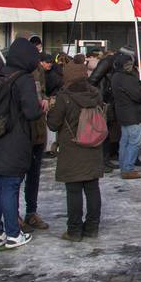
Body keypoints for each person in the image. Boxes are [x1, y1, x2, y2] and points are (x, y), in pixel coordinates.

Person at [0, 38, 44, 249]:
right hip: (14, 140)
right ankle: (14, 234)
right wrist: (42, 105)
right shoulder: (23, 79)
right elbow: (32, 112)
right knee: (10, 187)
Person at [46, 60, 104, 242]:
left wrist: (50, 110)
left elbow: (53, 124)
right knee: (93, 189)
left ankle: (74, 230)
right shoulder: (95, 94)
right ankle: (92, 227)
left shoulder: (64, 97)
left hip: (72, 149)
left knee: (73, 191)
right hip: (94, 146)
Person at [21, 46, 52, 232]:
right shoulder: (12, 77)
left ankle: (31, 212)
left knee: (33, 176)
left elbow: (43, 92)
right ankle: (13, 216)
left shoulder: (38, 73)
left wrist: (46, 99)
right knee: (15, 180)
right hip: (20, 135)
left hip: (38, 132)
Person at [111, 52, 141, 179]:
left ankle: (124, 166)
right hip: (132, 114)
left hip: (122, 112)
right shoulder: (126, 78)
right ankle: (128, 168)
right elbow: (138, 96)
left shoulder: (116, 76)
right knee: (134, 141)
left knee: (125, 141)